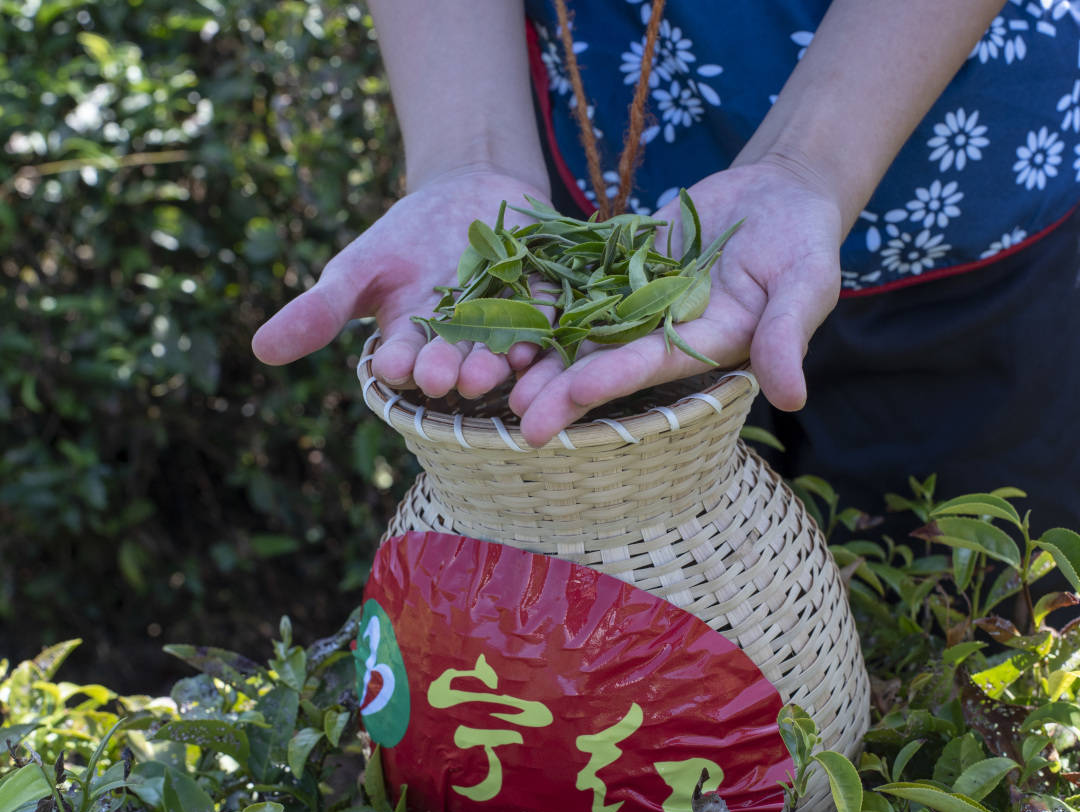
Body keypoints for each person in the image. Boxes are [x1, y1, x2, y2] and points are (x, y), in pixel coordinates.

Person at [251, 1, 1080, 533]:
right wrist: (468, 157)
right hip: (624, 214)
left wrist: (808, 165)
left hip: (959, 213)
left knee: (969, 629)